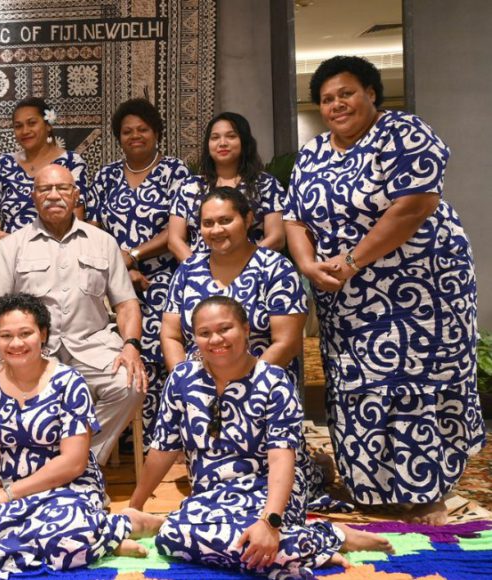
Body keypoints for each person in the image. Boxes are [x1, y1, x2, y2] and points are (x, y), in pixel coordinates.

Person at [284, 55, 484, 524]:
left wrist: (353, 260)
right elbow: (294, 216)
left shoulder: (403, 132)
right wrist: (309, 264)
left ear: (371, 92)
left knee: (412, 385)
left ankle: (426, 494)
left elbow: (414, 205)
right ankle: (371, 491)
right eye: (327, 98)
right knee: (358, 386)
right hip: (347, 297)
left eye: (346, 93)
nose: (336, 105)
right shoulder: (312, 152)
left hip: (420, 290)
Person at [130, 296, 393, 578]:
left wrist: (270, 522)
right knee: (171, 536)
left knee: (256, 541)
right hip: (212, 496)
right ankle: (314, 541)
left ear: (245, 329)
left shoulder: (274, 382)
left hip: (270, 493)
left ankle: (322, 537)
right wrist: (135, 506)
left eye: (224, 329)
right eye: (204, 333)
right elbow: (163, 449)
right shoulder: (182, 379)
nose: (215, 339)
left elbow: (281, 459)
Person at [0, 293, 162, 576]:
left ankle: (127, 523)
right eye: (6, 335)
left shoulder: (69, 382)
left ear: (42, 334)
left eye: (25, 333)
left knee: (63, 532)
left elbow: (74, 462)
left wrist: (8, 494)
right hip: (14, 490)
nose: (16, 343)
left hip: (68, 486)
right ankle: (105, 542)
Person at [0, 164, 146, 465]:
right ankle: (64, 466)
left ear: (75, 195)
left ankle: (78, 463)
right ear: (33, 197)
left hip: (94, 348)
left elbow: (126, 304)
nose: (54, 195)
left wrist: (131, 345)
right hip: (35, 353)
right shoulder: (11, 247)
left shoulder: (103, 242)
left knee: (130, 384)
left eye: (62, 188)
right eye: (45, 189)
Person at [86, 98, 191, 449]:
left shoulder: (175, 172)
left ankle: (165, 440)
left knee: (162, 354)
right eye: (127, 131)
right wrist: (119, 268)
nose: (135, 136)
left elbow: (179, 230)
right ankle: (128, 440)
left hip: (164, 279)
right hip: (112, 284)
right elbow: (95, 230)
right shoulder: (106, 176)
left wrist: (132, 255)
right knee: (121, 355)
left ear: (156, 133)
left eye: (142, 129)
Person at [162, 187, 306, 386]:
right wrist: (183, 383)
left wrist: (237, 389)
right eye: (208, 223)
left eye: (225, 221)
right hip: (197, 390)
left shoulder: (275, 268)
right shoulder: (188, 270)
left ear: (248, 220)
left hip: (262, 388)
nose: (217, 230)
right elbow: (171, 335)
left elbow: (287, 343)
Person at [167, 112, 285, 261]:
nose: (222, 143)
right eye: (215, 137)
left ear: (244, 141)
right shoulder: (190, 186)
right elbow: (175, 240)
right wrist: (199, 272)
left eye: (231, 136)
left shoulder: (266, 184)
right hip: (198, 276)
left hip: (252, 272)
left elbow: (277, 237)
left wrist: (242, 266)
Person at [0, 97, 88, 245]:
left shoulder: (71, 162)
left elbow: (76, 213)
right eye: (18, 126)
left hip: (57, 253)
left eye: (32, 123)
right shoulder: (4, 164)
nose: (25, 131)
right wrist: (3, 245)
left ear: (48, 125)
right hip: (12, 254)